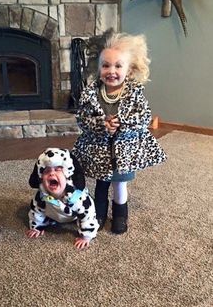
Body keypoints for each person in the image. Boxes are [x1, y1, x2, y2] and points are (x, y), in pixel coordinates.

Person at [72, 31, 167, 235]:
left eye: (118, 66)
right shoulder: (91, 93)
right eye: (105, 65)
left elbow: (143, 118)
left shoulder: (134, 93)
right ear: (97, 68)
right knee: (101, 184)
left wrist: (122, 123)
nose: (111, 71)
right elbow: (81, 118)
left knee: (120, 185)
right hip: (99, 150)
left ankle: (120, 215)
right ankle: (97, 214)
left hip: (124, 151)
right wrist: (100, 123)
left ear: (129, 69)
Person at [26, 148, 99, 250]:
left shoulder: (77, 198)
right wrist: (37, 227)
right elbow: (37, 211)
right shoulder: (42, 196)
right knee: (39, 207)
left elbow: (88, 215)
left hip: (72, 216)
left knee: (86, 212)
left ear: (67, 175)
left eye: (57, 169)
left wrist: (86, 237)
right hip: (53, 215)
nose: (51, 173)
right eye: (47, 171)